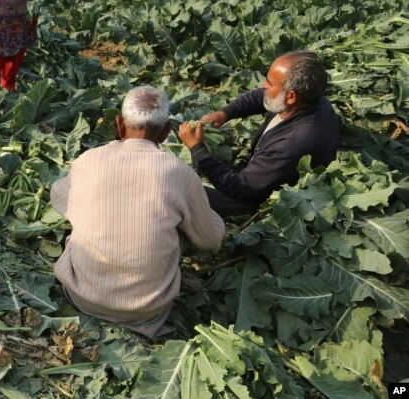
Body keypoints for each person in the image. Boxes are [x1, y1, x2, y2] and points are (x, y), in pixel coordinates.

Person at [52, 86, 225, 338]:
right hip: (145, 310)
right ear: (166, 132)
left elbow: (59, 199)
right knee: (186, 228)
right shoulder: (180, 173)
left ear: (119, 124)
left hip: (81, 296)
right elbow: (211, 239)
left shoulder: (89, 160)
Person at [178, 51, 341, 217]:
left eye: (270, 83)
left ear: (291, 96)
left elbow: (242, 188)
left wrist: (197, 149)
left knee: (181, 191)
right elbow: (261, 97)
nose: (264, 85)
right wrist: (225, 113)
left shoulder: (288, 146)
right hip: (268, 174)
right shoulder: (310, 100)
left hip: (256, 199)